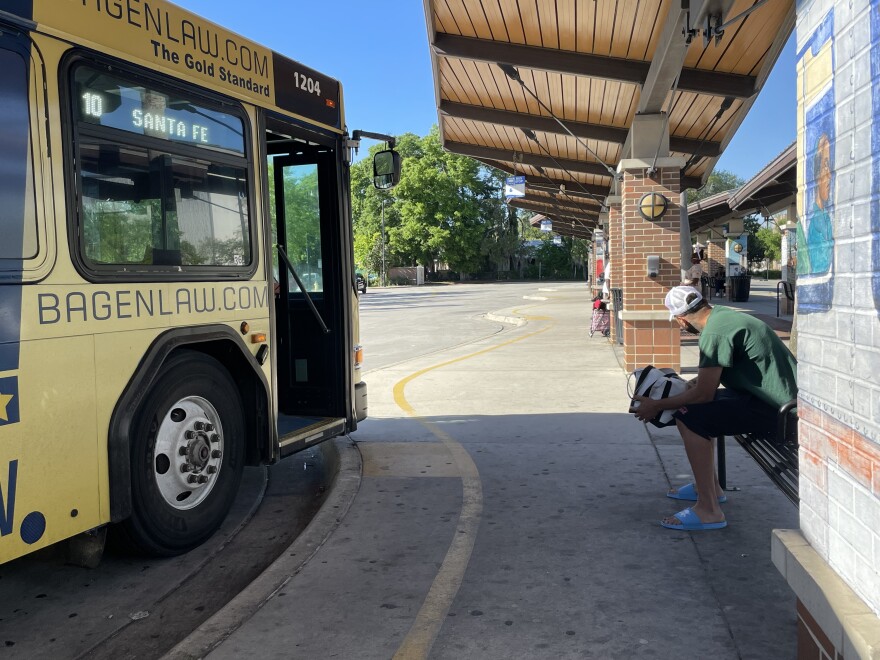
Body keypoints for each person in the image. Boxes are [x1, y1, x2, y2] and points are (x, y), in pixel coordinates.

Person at [630, 286, 797, 531]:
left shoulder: (714, 334)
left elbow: (703, 395)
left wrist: (656, 405)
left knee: (689, 417)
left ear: (680, 319)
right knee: (697, 412)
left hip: (780, 413)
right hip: (775, 401)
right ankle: (709, 487)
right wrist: (691, 384)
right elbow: (711, 378)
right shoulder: (723, 317)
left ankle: (709, 509)